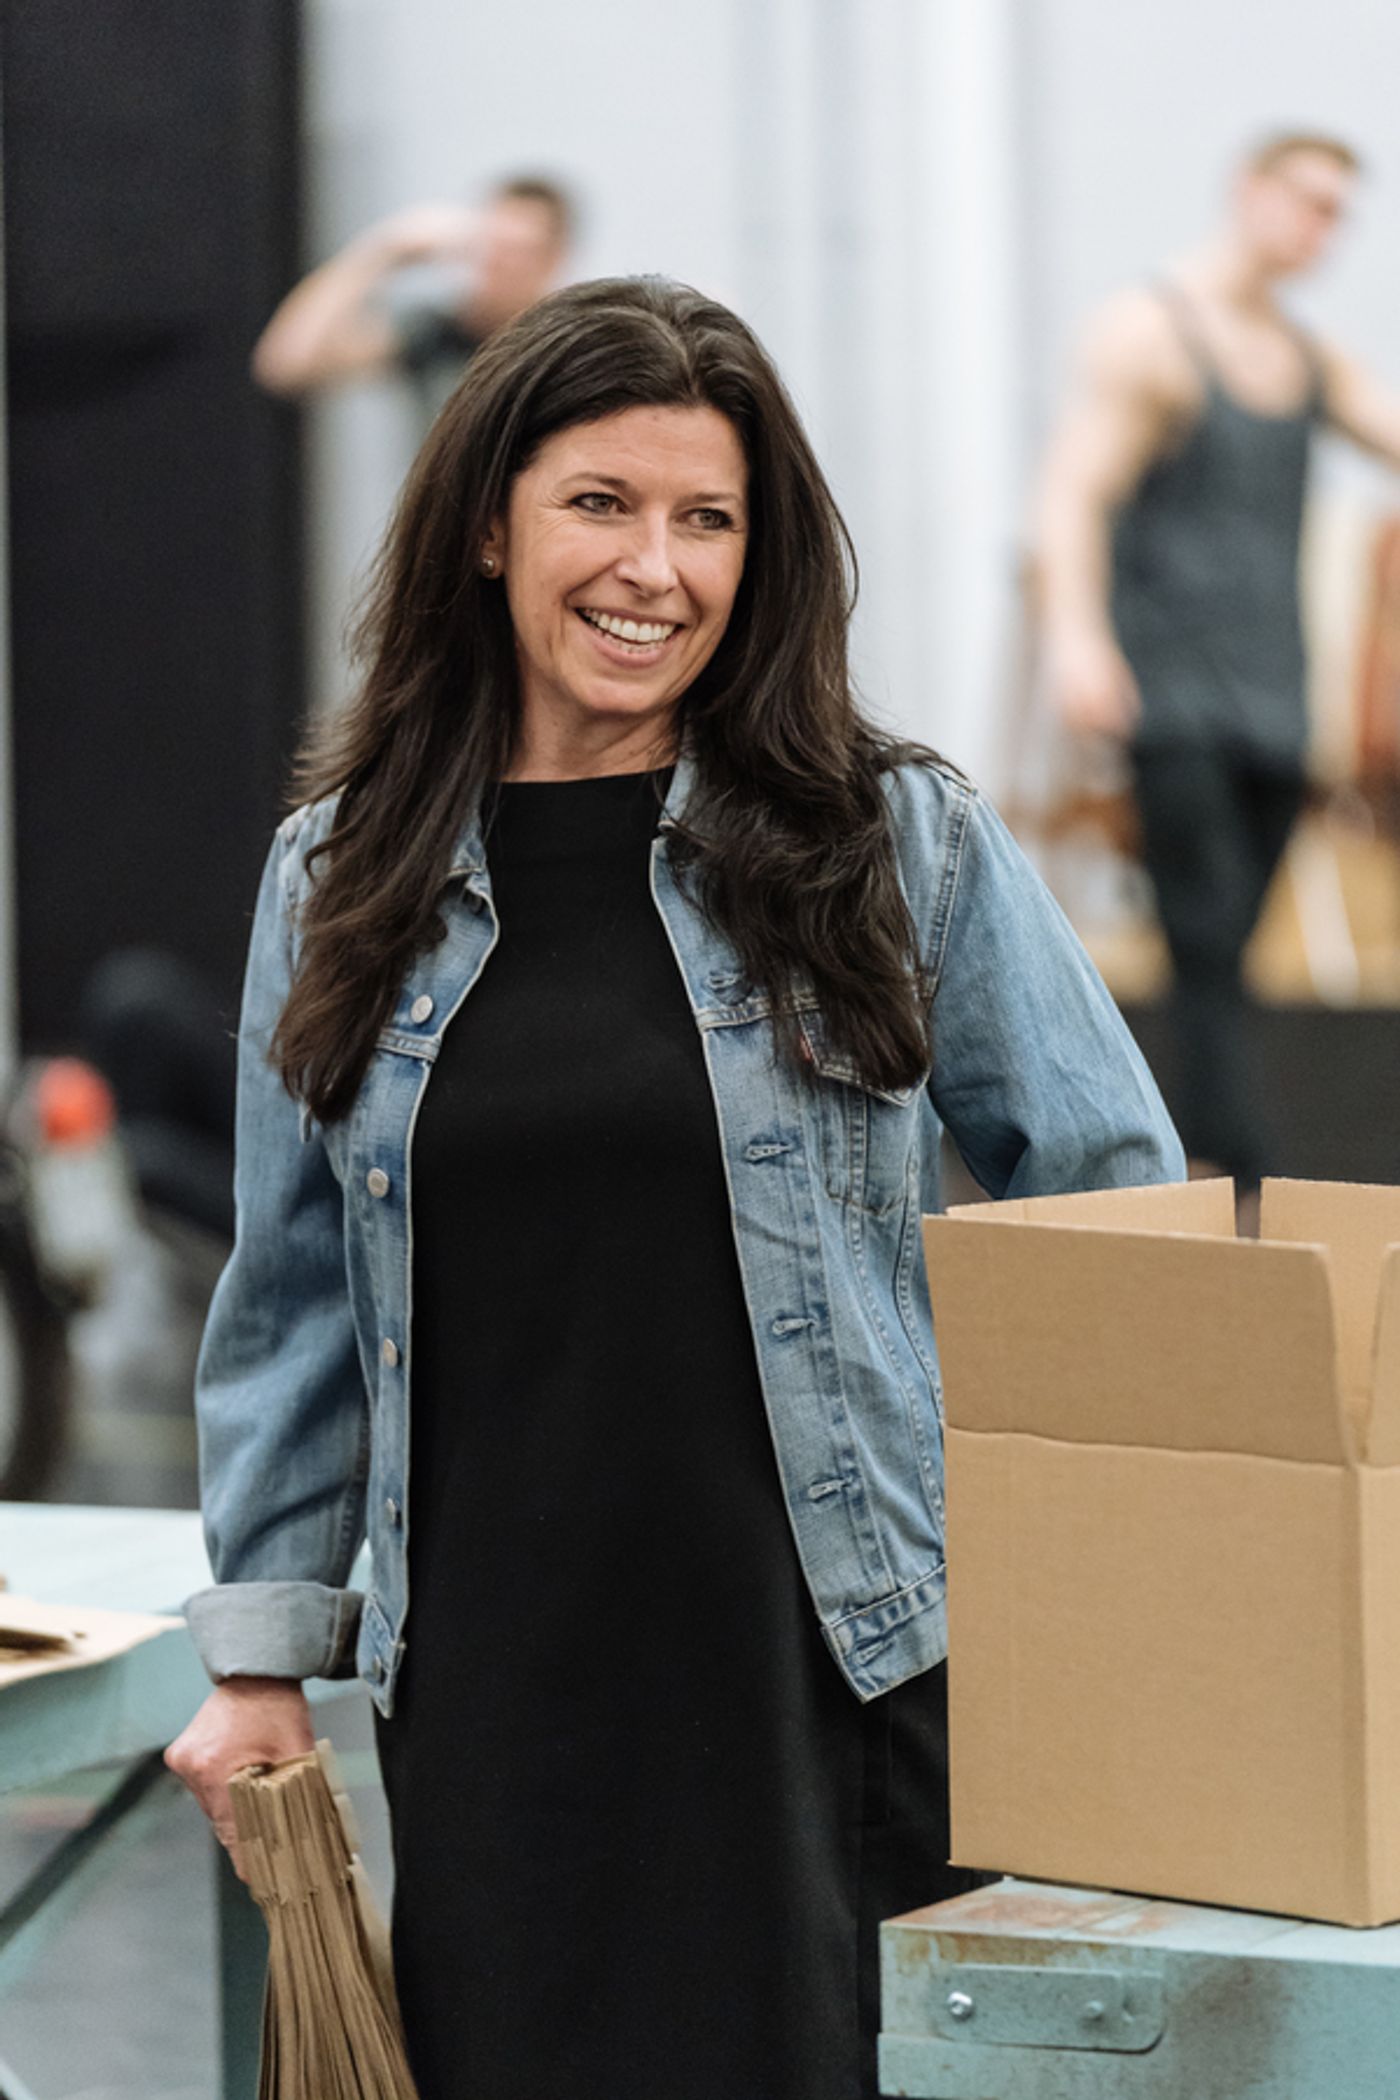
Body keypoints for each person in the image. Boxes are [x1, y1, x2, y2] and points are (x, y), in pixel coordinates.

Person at [167, 276, 1183, 2100]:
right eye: (601, 505)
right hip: (491, 1690)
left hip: (832, 1669)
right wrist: (260, 1659)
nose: (656, 568)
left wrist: (1084, 1592)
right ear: (488, 526)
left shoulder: (887, 837)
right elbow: (296, 1300)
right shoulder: (339, 877)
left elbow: (1115, 1207)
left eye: (708, 520)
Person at [1037, 130, 1400, 1186]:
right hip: (1172, 691)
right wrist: (1077, 643)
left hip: (1275, 701)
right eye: (1304, 201)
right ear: (1247, 193)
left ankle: (1187, 1143)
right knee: (1200, 939)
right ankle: (1229, 1164)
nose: (1317, 229)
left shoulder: (1303, 357)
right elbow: (1070, 496)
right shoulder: (1147, 335)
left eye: (1337, 211)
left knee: (1228, 949)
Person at [251, 173, 576, 419]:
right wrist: (381, 251)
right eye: (493, 245)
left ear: (554, 257)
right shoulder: (436, 332)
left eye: (518, 250)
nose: (499, 264)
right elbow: (288, 364)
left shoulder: (569, 343)